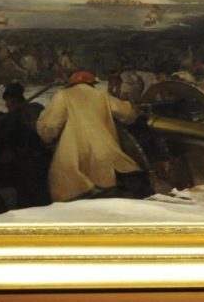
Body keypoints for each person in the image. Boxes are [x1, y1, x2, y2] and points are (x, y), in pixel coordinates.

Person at [36, 69, 146, 202]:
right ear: (92, 83)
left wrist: (46, 138)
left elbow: (50, 126)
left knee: (67, 192)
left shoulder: (63, 95)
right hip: (105, 157)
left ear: (71, 83)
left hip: (74, 160)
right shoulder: (102, 95)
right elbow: (128, 114)